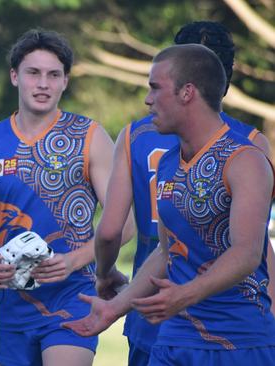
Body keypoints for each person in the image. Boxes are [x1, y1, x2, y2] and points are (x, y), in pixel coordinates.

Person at [64, 43, 275, 365]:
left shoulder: (245, 159)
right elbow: (167, 251)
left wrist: (184, 294)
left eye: (155, 88)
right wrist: (114, 307)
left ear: (187, 92)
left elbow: (246, 253)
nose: (147, 100)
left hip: (239, 341)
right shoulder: (167, 164)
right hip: (174, 338)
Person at [0, 28, 131, 366]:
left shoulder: (90, 136)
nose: (43, 83)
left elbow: (127, 220)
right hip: (13, 304)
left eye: (53, 75)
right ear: (15, 76)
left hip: (74, 294)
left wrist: (75, 260)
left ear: (65, 82)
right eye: (33, 73)